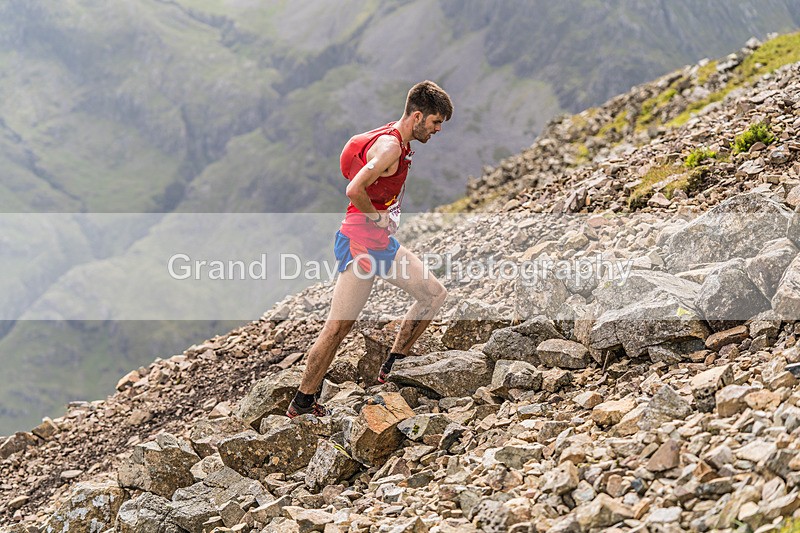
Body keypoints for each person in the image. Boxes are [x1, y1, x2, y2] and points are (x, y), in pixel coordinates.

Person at [286, 80, 453, 418]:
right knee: (338, 327)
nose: (437, 130)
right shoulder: (390, 147)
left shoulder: (398, 139)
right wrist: (377, 216)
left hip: (381, 244)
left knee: (434, 293)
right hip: (360, 244)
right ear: (418, 116)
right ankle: (302, 402)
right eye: (435, 122)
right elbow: (354, 188)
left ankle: (393, 367)